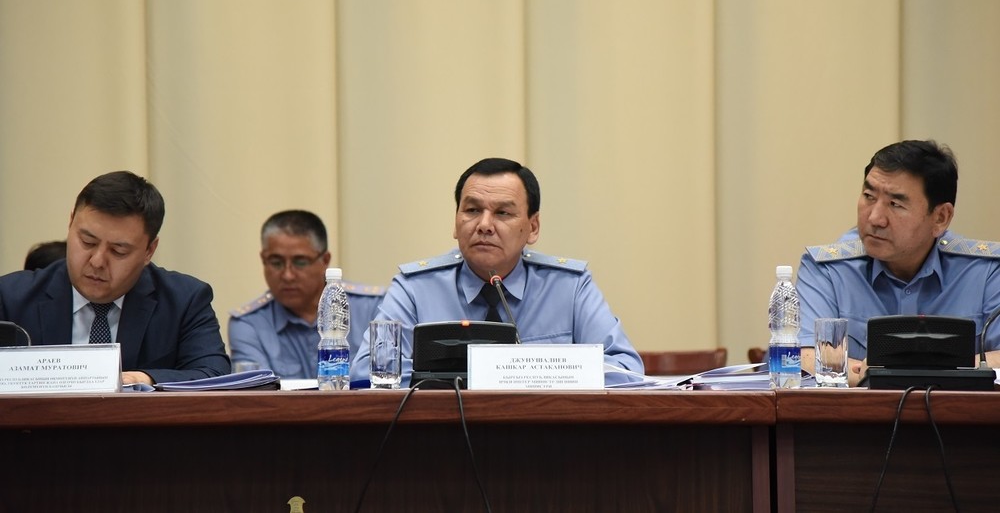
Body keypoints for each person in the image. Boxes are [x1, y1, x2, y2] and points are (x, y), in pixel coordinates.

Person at [350, 157, 644, 387]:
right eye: (472, 210)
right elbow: (367, 371)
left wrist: (527, 376)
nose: (484, 225)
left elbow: (626, 371)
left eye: (503, 213)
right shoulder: (415, 288)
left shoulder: (569, 286)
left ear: (533, 227)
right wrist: (482, 381)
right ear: (455, 222)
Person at [796, 140, 1000, 385]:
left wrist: (892, 372)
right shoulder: (827, 270)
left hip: (957, 411)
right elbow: (806, 358)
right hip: (859, 411)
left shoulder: (986, 272)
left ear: (940, 217)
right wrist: (942, 371)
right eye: (869, 196)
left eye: (895, 204)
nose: (875, 218)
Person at [0, 170, 231, 384]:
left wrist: (141, 379)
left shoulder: (184, 301)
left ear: (149, 251)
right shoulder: (10, 298)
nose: (97, 261)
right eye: (87, 242)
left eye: (118, 251)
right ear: (70, 224)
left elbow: (213, 374)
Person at [228, 210, 385, 379]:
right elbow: (256, 390)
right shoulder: (249, 324)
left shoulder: (374, 307)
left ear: (325, 260)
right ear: (263, 259)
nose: (287, 275)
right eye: (276, 262)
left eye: (300, 262)